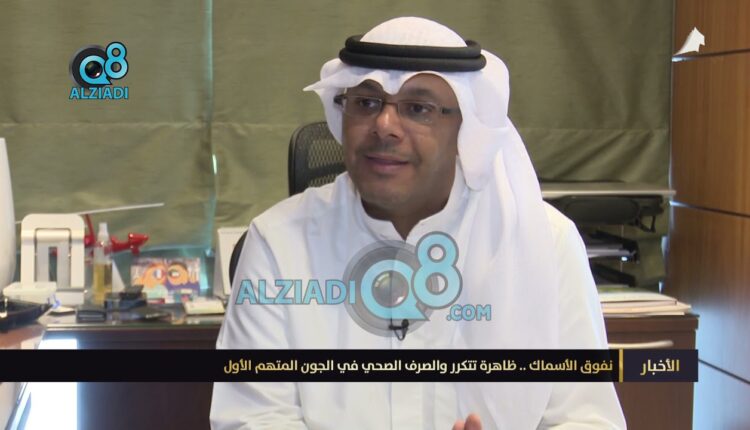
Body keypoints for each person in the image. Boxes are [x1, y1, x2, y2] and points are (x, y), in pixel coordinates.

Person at [210, 17, 626, 429]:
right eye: (366, 102)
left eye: (418, 109)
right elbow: (252, 419)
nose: (384, 126)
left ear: (465, 127)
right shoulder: (278, 242)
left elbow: (588, 419)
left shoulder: (545, 243)